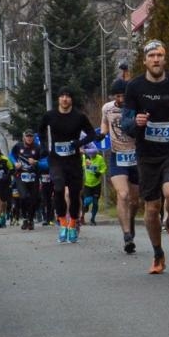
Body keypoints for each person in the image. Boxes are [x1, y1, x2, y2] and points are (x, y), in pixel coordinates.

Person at [122, 39, 169, 274]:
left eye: (159, 56)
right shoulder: (134, 87)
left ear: (165, 58)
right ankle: (158, 254)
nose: (156, 60)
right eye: (151, 56)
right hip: (147, 154)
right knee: (151, 209)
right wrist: (136, 122)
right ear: (145, 60)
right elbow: (125, 123)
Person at [40, 88, 105, 243]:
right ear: (58, 100)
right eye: (62, 96)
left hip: (74, 160)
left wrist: (79, 143)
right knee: (58, 188)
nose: (64, 99)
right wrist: (43, 147)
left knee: (75, 195)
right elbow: (41, 129)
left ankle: (73, 223)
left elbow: (91, 134)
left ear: (71, 100)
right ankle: (62, 222)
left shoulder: (79, 117)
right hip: (56, 160)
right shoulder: (50, 115)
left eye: (68, 96)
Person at [100, 79, 141, 253]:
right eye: (117, 96)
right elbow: (104, 125)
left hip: (136, 157)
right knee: (122, 194)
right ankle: (126, 236)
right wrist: (101, 135)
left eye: (124, 95)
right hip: (118, 157)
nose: (121, 99)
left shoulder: (136, 106)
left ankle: (130, 223)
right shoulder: (107, 108)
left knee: (135, 201)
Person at [9, 129, 42, 230]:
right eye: (27, 136)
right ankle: (24, 219)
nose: (29, 138)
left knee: (33, 199)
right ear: (24, 137)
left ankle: (31, 220)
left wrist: (36, 162)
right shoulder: (18, 146)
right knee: (23, 197)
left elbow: (44, 161)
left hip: (33, 176)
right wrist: (15, 163)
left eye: (31, 136)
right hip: (21, 175)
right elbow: (11, 155)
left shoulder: (38, 147)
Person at [82, 143, 107, 225]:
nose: (92, 155)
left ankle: (92, 219)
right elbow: (81, 167)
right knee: (87, 202)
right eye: (91, 154)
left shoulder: (100, 158)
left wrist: (99, 173)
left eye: (94, 154)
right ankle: (82, 215)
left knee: (95, 203)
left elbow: (104, 168)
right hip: (87, 184)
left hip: (97, 184)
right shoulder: (84, 159)